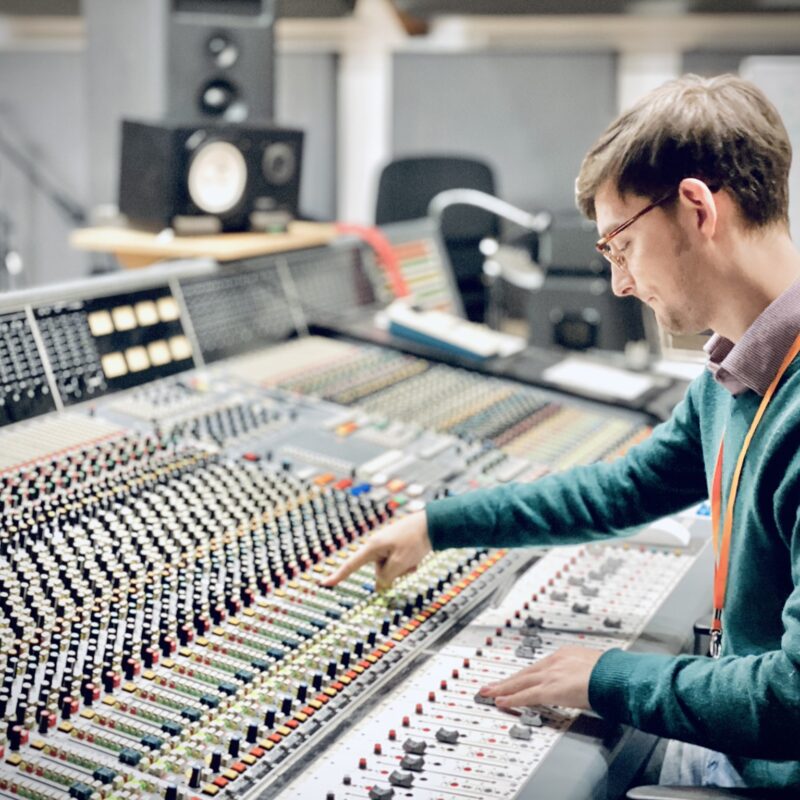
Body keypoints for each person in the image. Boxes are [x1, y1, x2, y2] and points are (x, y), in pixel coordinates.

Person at [322, 73, 800, 790]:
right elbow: (626, 487)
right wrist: (437, 524)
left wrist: (608, 676)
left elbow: (792, 699)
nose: (619, 283)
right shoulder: (733, 367)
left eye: (621, 246)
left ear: (697, 207)